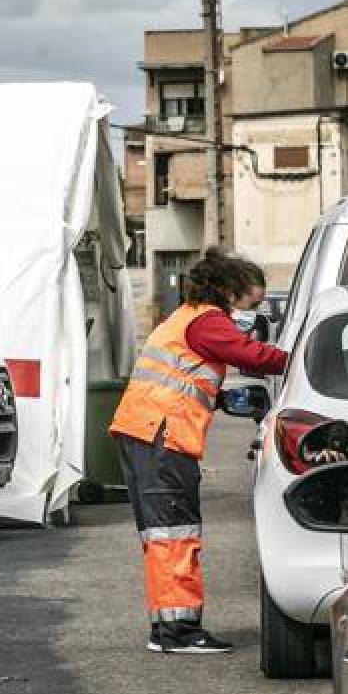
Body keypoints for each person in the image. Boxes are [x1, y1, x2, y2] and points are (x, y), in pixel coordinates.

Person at [110, 248, 288, 654]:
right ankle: (180, 633)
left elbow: (187, 377)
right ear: (228, 291)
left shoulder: (186, 317)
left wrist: (220, 399)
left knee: (162, 535)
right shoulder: (208, 320)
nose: (254, 315)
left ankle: (167, 629)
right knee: (174, 534)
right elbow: (253, 355)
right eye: (252, 304)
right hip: (162, 436)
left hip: (145, 431)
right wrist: (300, 359)